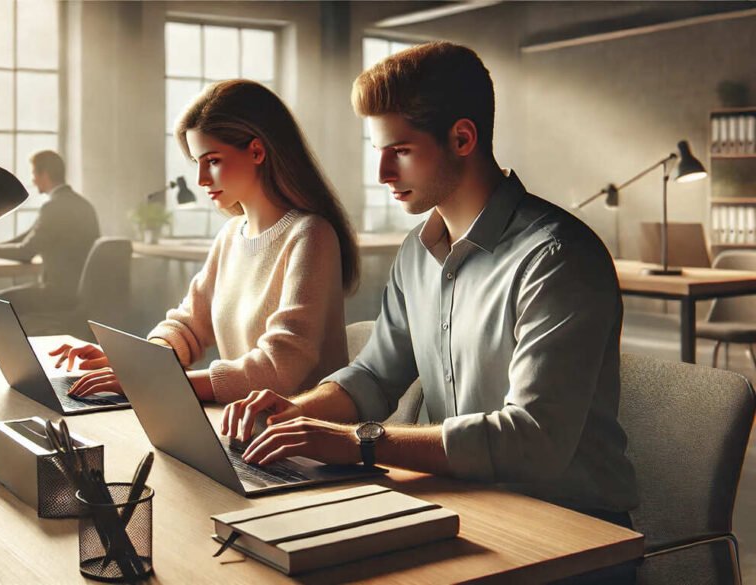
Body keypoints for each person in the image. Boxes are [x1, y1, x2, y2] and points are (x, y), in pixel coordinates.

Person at [221, 42, 639, 546]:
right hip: (461, 508)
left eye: (400, 151)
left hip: (571, 537)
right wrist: (298, 412)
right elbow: (374, 376)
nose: (382, 175)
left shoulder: (557, 259)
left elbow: (533, 440)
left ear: (462, 138)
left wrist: (357, 443)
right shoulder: (416, 254)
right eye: (378, 152)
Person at [51, 79, 360, 404]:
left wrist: (156, 381)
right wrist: (136, 362)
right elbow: (189, 325)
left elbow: (279, 367)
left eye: (212, 161)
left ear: (257, 151)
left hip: (299, 440)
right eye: (197, 162)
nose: (200, 180)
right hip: (240, 425)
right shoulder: (231, 235)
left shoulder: (310, 235)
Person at [0, 150, 99, 311]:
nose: (33, 180)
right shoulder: (84, 205)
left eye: (33, 174)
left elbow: (26, 251)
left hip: (58, 294)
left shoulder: (53, 208)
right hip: (80, 293)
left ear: (44, 175)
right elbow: (29, 236)